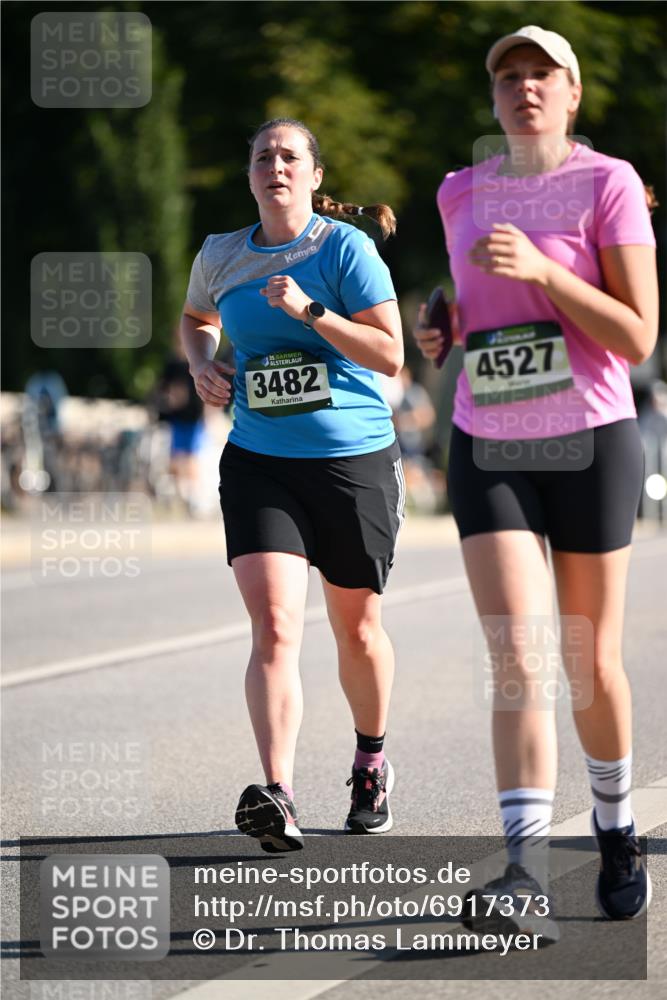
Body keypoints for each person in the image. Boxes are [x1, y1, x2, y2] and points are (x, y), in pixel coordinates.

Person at [414, 25, 658, 931]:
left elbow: (635, 335)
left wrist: (547, 275)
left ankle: (616, 824)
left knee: (588, 662)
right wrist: (444, 331)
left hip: (591, 439)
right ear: (492, 100)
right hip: (489, 440)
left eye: (540, 75)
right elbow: (480, 315)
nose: (523, 88)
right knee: (517, 661)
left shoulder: (609, 184)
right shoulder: (458, 192)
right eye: (507, 77)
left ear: (571, 92)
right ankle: (522, 869)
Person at [180, 118, 405, 852]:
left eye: (288, 156)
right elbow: (195, 318)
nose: (274, 166)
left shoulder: (345, 248)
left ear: (313, 175)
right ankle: (277, 792)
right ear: (249, 176)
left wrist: (310, 311)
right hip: (259, 460)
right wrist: (201, 362)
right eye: (261, 157)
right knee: (275, 626)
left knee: (356, 630)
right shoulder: (221, 253)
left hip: (351, 462)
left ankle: (370, 760)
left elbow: (390, 354)